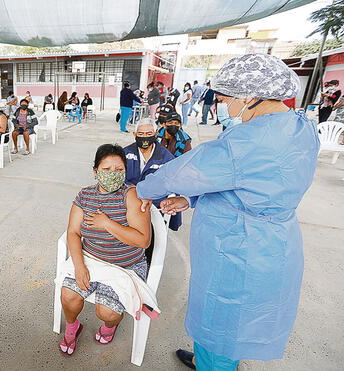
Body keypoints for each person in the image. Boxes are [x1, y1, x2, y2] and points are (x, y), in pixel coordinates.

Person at [135, 54, 319, 371]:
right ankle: (209, 358)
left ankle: (214, 365)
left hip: (237, 249)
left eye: (223, 99)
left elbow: (177, 175)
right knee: (233, 321)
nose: (222, 106)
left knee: (224, 319)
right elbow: (258, 185)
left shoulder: (244, 143)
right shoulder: (300, 127)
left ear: (249, 96)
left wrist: (138, 191)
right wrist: (190, 201)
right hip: (272, 242)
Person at [59, 143, 151, 355]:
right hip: (92, 258)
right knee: (69, 296)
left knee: (107, 312)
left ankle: (110, 326)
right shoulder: (85, 196)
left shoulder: (131, 195)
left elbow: (143, 241)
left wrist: (106, 223)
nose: (113, 175)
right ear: (95, 172)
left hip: (126, 265)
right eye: (106, 170)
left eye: (119, 170)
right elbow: (73, 232)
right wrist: (79, 265)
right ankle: (73, 326)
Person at [123, 119, 181, 233]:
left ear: (155, 134)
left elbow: (172, 186)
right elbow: (118, 180)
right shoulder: (124, 153)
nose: (145, 137)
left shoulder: (166, 158)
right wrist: (134, 193)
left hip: (155, 208)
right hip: (128, 205)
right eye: (141, 134)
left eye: (149, 134)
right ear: (134, 135)